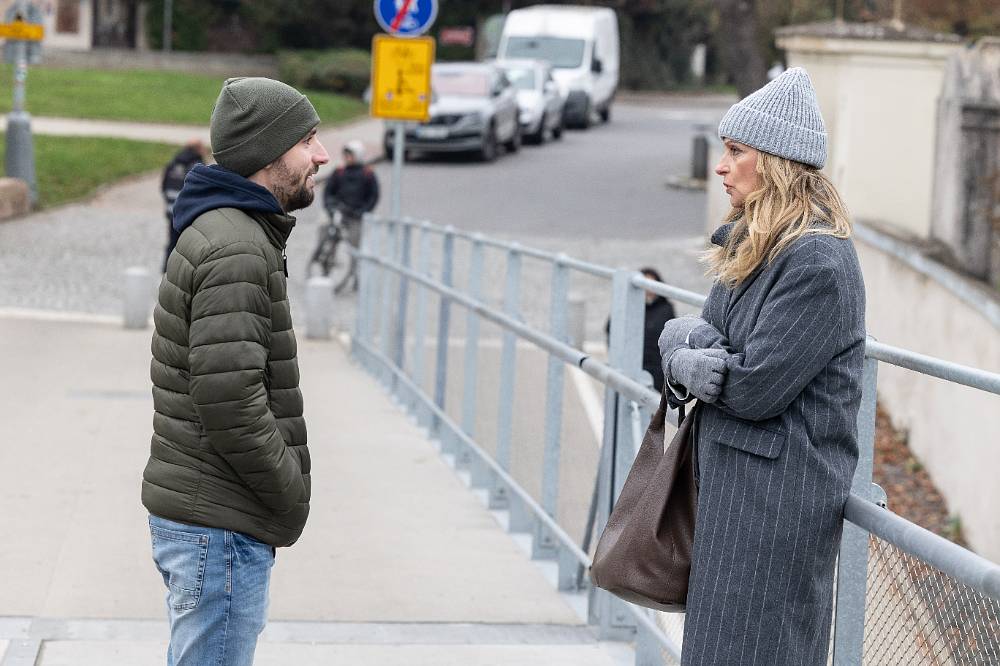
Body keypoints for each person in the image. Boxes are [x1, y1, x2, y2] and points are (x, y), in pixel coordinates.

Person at [656, 67, 866, 665]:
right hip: (730, 496)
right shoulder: (752, 245)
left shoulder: (818, 262)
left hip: (777, 513)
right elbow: (695, 334)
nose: (721, 167)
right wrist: (684, 345)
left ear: (775, 162)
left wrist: (687, 351)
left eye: (736, 151)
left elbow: (750, 389)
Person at [142, 77, 329, 666]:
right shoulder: (238, 247)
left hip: (208, 515)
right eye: (308, 140)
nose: (321, 155)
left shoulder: (229, 230)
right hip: (219, 522)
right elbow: (231, 401)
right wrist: (287, 492)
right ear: (268, 153)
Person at [604, 267, 676, 392]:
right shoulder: (625, 307)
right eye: (645, 285)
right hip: (626, 369)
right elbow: (611, 330)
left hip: (656, 374)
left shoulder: (666, 310)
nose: (648, 291)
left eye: (651, 285)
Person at [159, 139, 206, 272]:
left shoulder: (173, 164)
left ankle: (166, 272)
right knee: (187, 246)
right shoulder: (197, 166)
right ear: (198, 149)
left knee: (171, 243)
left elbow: (163, 187)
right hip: (188, 213)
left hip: (172, 211)